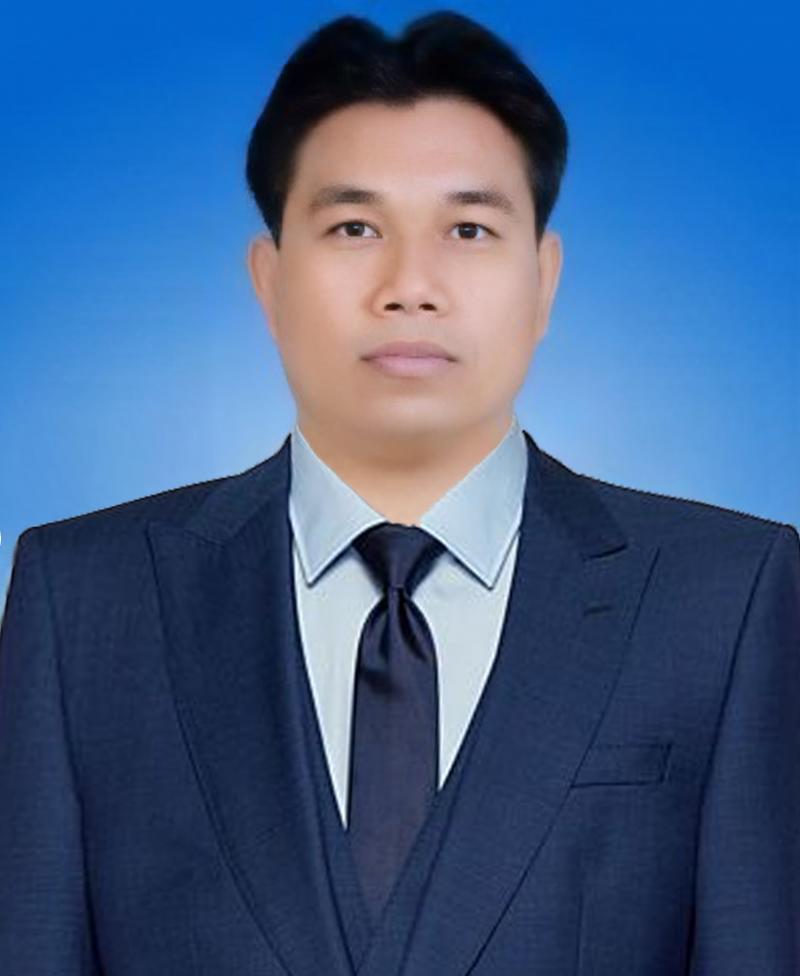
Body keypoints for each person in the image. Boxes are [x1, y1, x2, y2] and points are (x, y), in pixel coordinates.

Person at [0, 10, 797, 975]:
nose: (410, 285)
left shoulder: (724, 595)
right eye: (354, 226)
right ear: (269, 279)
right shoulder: (86, 598)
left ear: (543, 279)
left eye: (468, 228)